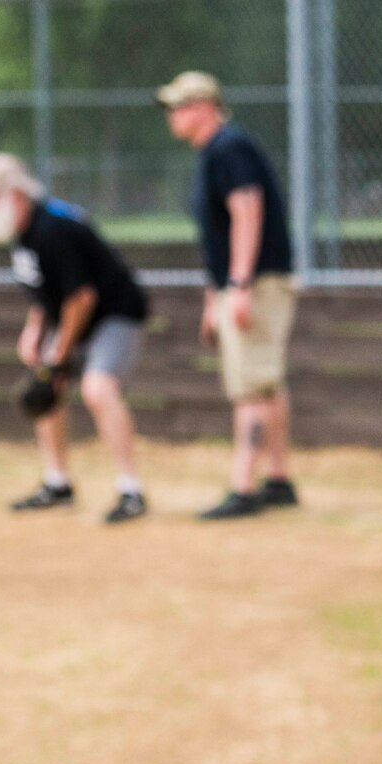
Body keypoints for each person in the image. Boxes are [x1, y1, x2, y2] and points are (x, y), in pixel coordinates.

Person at [0, 153, 151, 524]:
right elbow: (48, 291)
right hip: (74, 315)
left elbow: (82, 296)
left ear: (14, 194)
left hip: (113, 313)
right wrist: (35, 332)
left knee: (97, 388)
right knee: (44, 386)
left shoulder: (53, 228)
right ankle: (58, 484)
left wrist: (60, 357)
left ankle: (131, 490)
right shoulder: (21, 232)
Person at [157, 70, 299, 520]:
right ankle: (278, 481)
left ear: (204, 106)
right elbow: (218, 236)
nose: (171, 116)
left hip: (256, 283)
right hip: (241, 283)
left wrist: (238, 286)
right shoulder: (213, 153)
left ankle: (243, 488)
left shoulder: (228, 147)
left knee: (251, 385)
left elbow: (247, 212)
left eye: (177, 107)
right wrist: (213, 297)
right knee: (266, 380)